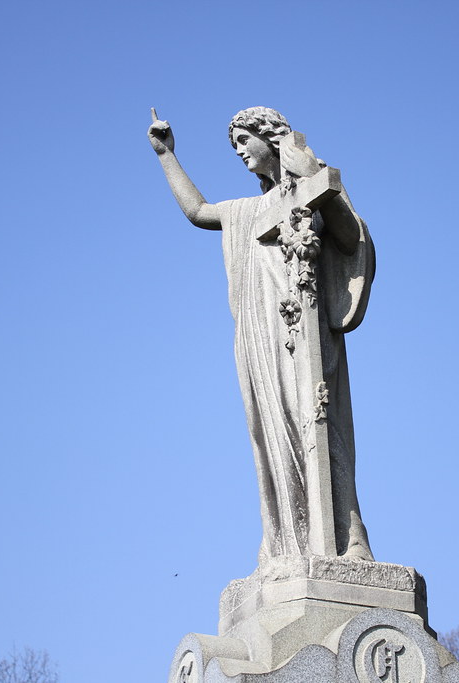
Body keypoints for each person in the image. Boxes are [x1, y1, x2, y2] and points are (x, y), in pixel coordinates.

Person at [148, 107, 375, 561]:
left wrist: (316, 181)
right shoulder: (248, 211)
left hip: (302, 323)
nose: (238, 150)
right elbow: (197, 211)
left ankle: (350, 537)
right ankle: (288, 538)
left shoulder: (311, 189)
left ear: (269, 138)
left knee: (315, 414)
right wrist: (166, 155)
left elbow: (351, 239)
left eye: (243, 140)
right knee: (265, 428)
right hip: (256, 330)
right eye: (233, 144)